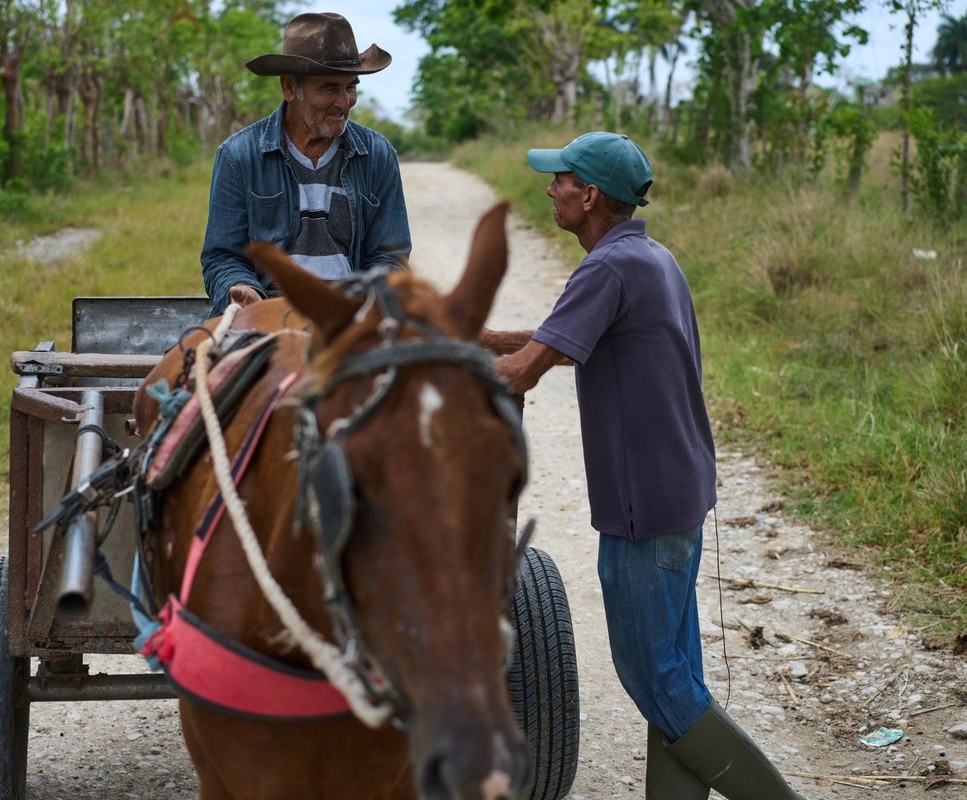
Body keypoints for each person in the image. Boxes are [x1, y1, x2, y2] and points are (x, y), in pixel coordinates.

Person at [487, 132, 808, 800]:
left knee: (654, 680)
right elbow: (565, 339)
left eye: (560, 179)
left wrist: (423, 358)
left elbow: (524, 371)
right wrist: (479, 334)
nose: (550, 188)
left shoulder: (605, 269)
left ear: (590, 194)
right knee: (676, 680)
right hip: (677, 494)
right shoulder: (644, 258)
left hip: (644, 510)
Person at [200, 12, 412, 316]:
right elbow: (222, 256)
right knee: (195, 362)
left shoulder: (378, 155)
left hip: (351, 318)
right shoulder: (238, 155)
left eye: (350, 87)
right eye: (329, 88)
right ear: (289, 88)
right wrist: (243, 292)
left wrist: (367, 303)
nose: (345, 101)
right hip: (267, 314)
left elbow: (390, 256)